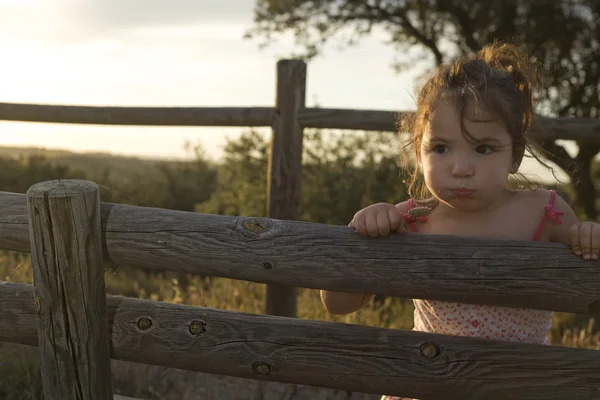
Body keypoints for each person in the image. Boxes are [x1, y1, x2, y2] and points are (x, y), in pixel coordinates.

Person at [319, 42, 600, 400]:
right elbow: (337, 303)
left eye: (483, 149)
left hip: (519, 387)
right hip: (428, 386)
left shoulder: (544, 213)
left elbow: (588, 275)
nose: (461, 168)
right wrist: (362, 232)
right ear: (419, 151)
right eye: (440, 148)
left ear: (514, 156)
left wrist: (589, 237)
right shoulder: (409, 220)